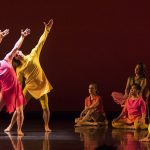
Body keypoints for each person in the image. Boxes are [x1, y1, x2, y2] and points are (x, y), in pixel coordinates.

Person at [4, 19, 53, 132]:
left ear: (21, 52)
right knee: (19, 108)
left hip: (41, 86)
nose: (17, 53)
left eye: (18, 52)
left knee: (45, 108)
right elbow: (19, 82)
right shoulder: (19, 69)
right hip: (29, 88)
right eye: (15, 55)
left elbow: (41, 42)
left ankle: (46, 126)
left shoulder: (33, 55)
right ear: (16, 58)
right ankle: (11, 126)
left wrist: (47, 29)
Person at [0, 28, 30, 135]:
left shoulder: (6, 59)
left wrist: (22, 37)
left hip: (16, 90)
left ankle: (19, 129)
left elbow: (15, 47)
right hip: (5, 90)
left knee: (20, 112)